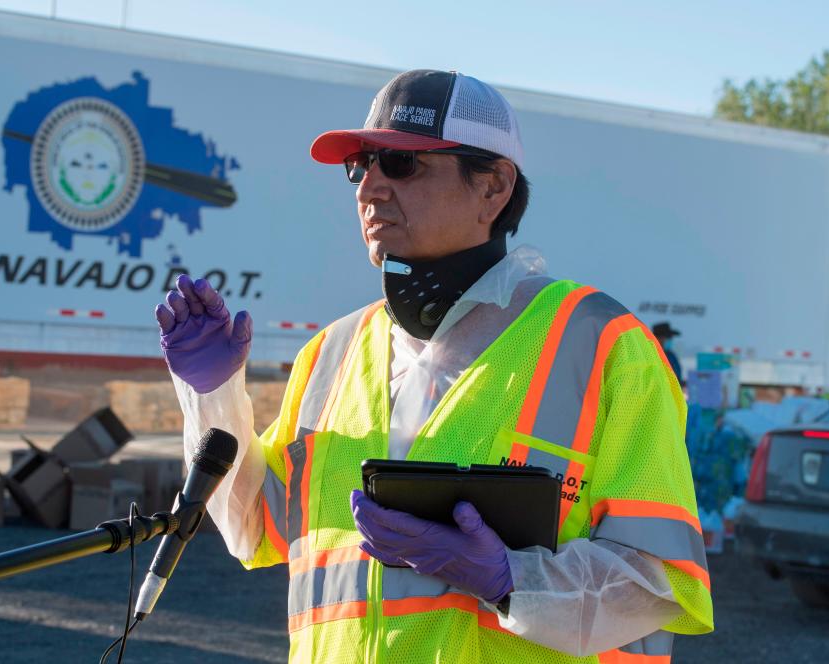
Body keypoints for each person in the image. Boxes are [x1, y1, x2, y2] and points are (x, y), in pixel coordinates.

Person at [156, 69, 713, 663]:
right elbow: (255, 529)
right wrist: (213, 393)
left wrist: (508, 579)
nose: (368, 188)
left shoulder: (601, 343)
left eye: (402, 165)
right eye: (360, 166)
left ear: (493, 188)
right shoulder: (331, 351)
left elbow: (658, 583)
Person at [652, 322, 684, 386]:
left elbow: (678, 377)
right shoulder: (650, 355)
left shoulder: (671, 355)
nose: (670, 340)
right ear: (658, 338)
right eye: (668, 337)